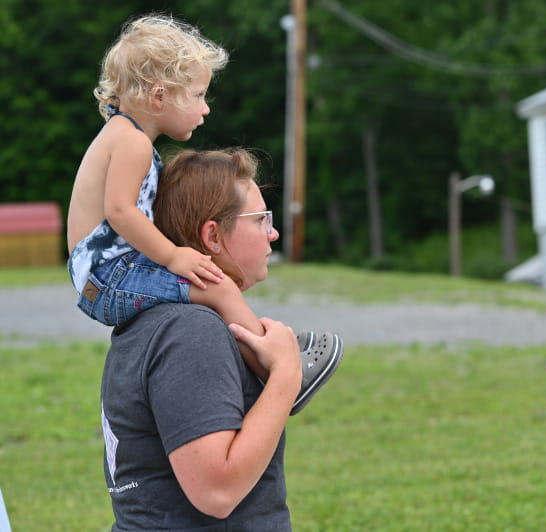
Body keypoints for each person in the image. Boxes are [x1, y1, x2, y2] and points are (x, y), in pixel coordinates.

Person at [66, 14, 341, 414]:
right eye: (197, 95)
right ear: (159, 96)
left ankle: (266, 352)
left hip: (105, 274)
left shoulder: (123, 135)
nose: (205, 108)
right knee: (219, 288)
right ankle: (283, 372)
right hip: (108, 276)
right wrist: (174, 256)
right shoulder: (133, 143)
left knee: (209, 286)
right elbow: (121, 212)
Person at [102, 147, 310, 530]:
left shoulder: (154, 323)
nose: (273, 232)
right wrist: (286, 374)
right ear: (212, 235)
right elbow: (216, 492)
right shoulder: (190, 331)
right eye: (261, 219)